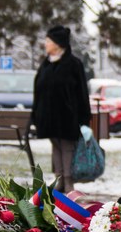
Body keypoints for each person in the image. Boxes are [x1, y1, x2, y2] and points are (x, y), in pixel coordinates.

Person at [31, 25, 91, 193]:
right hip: (48, 116)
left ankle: (68, 181)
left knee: (67, 147)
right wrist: (36, 114)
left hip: (67, 117)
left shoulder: (73, 64)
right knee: (56, 146)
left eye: (48, 41)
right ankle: (59, 180)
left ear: (58, 43)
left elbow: (82, 93)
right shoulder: (46, 64)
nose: (45, 44)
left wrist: (84, 119)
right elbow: (38, 89)